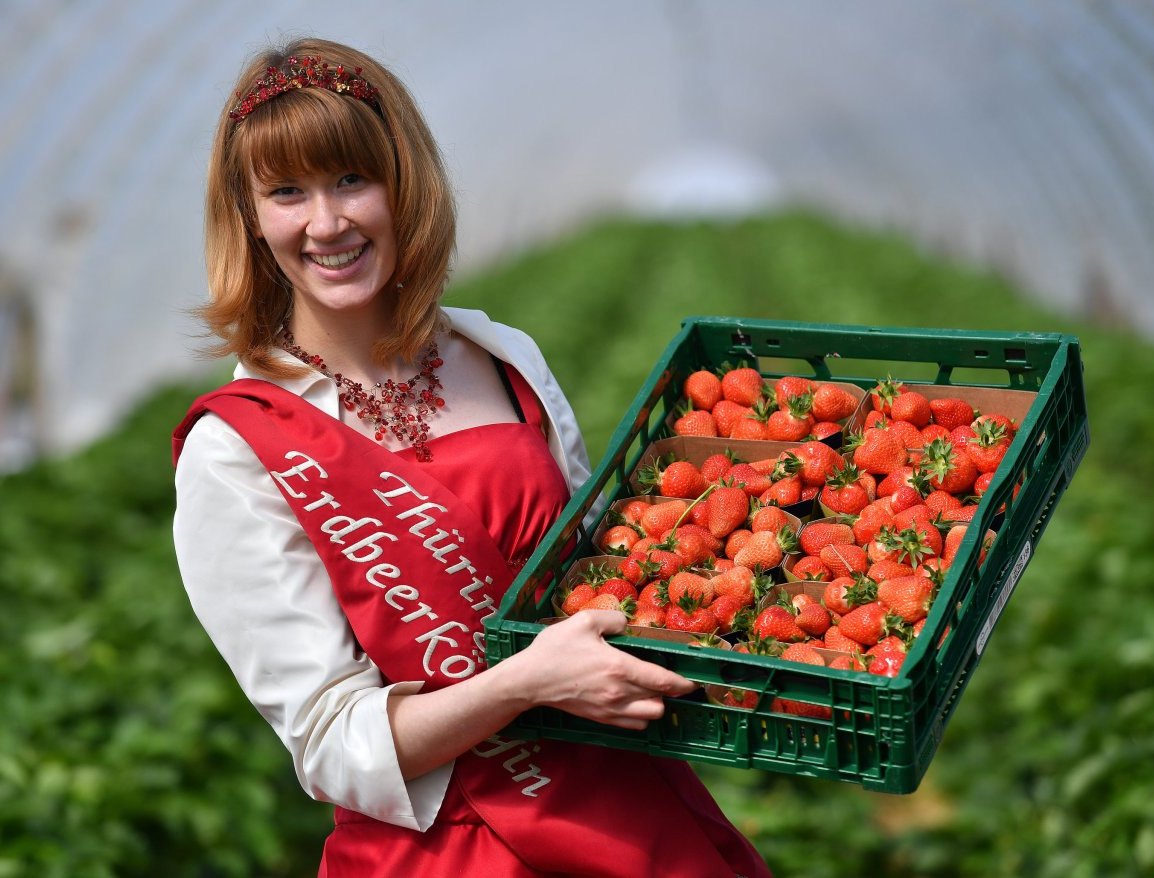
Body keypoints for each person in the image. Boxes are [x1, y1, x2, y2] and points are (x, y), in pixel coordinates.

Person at [172, 37, 770, 877]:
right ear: (249, 216)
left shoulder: (499, 354)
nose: (327, 222)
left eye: (351, 178)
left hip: (626, 810)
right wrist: (524, 683)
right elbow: (333, 746)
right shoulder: (236, 449)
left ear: (403, 183)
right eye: (286, 192)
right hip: (451, 848)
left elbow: (598, 570)